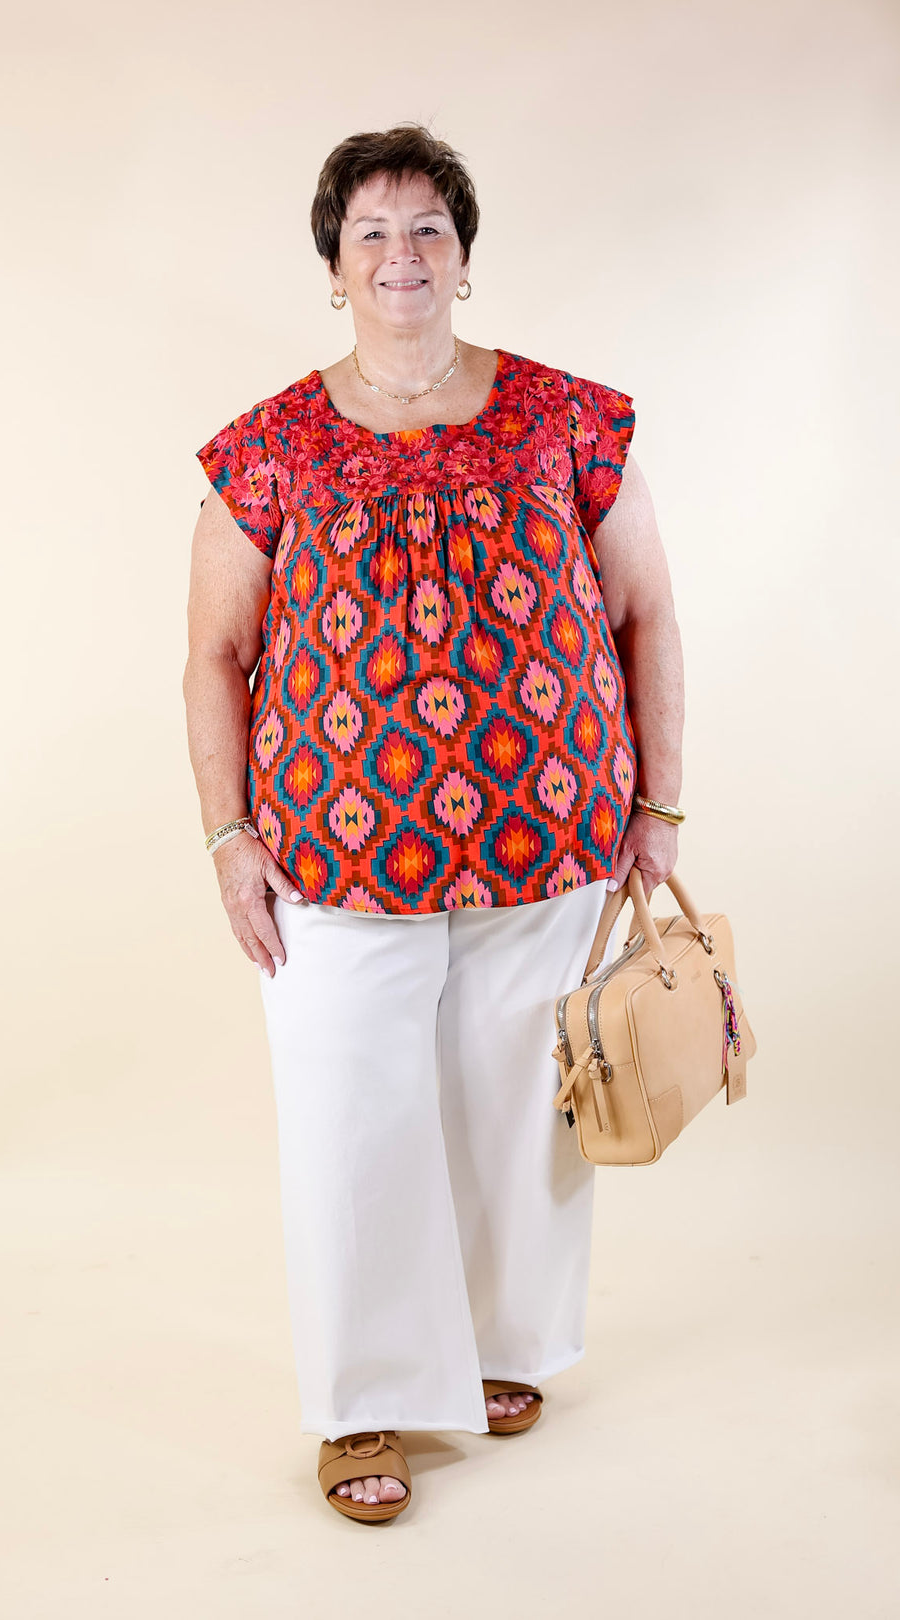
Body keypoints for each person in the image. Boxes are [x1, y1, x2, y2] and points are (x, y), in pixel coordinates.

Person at [184, 123, 684, 1522]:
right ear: (334, 267)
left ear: (463, 260)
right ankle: (368, 1406)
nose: (400, 256)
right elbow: (212, 657)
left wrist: (662, 807)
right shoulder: (271, 447)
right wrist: (229, 838)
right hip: (335, 856)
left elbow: (646, 616)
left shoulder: (570, 419)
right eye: (372, 235)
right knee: (355, 1121)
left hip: (552, 839)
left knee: (522, 1107)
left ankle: (510, 1345)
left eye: (427, 232)